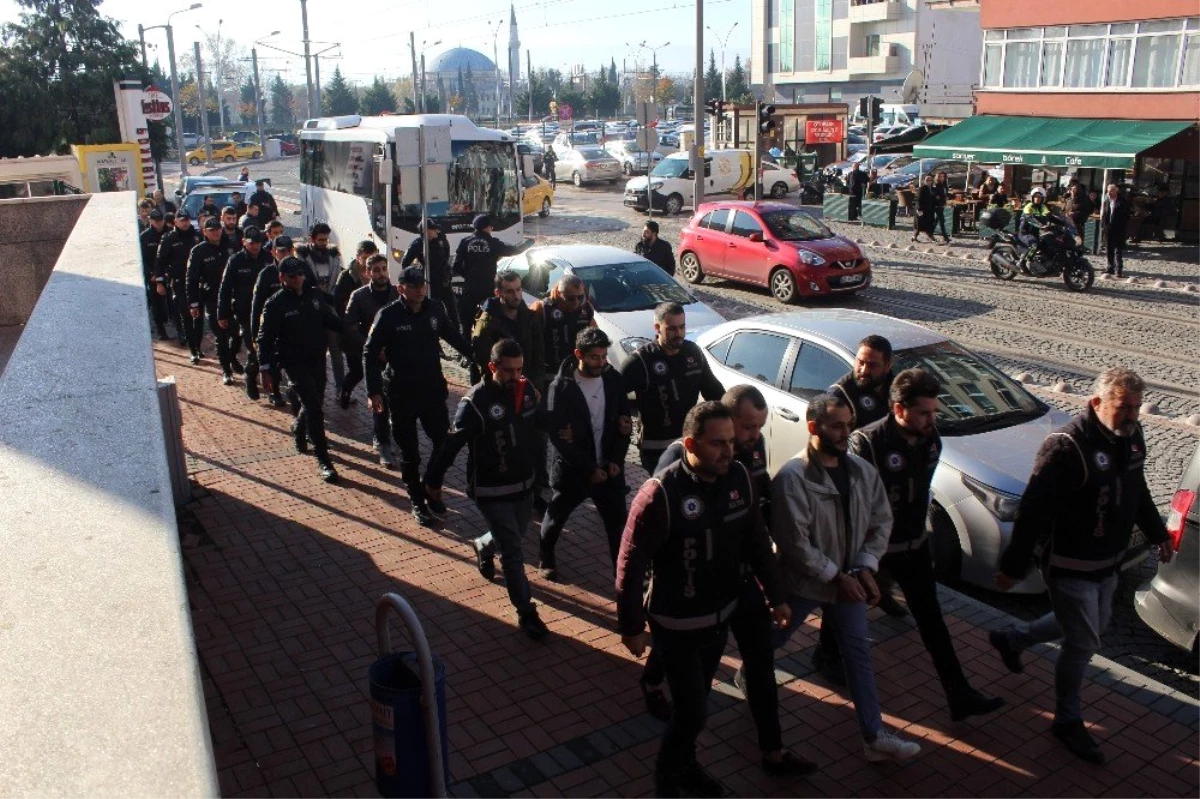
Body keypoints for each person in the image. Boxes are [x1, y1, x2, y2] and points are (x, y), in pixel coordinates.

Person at [991, 367, 1171, 764]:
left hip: (1108, 562)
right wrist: (1014, 566)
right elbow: (1033, 511)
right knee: (1084, 640)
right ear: (1096, 403)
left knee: (1090, 624)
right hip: (1069, 564)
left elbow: (1137, 487)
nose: (1133, 416)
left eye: (1138, 408)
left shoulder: (1131, 437)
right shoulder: (1065, 447)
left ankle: (1015, 638)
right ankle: (1066, 719)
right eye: (1124, 407)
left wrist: (1157, 533)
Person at [616, 401, 791, 798]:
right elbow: (630, 560)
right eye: (718, 444)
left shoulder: (739, 479)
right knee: (694, 710)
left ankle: (687, 765)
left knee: (695, 705)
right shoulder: (659, 493)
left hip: (719, 617)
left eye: (731, 442)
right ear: (691, 444)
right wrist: (631, 626)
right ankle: (666, 782)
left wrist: (776, 594)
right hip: (675, 624)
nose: (729, 451)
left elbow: (758, 542)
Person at [654, 386, 819, 779]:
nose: (750, 437)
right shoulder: (679, 460)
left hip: (741, 581)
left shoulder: (752, 451)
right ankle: (685, 759)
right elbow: (653, 529)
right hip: (698, 591)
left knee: (761, 665)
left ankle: (773, 752)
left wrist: (776, 592)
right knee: (697, 685)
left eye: (757, 428)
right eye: (746, 427)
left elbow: (756, 530)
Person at [771, 394, 922, 764]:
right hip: (807, 582)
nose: (846, 432)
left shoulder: (860, 471)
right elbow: (795, 544)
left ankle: (873, 736)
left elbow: (881, 521)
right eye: (836, 425)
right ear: (813, 428)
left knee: (858, 655)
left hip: (848, 581)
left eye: (848, 424)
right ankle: (751, 670)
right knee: (771, 640)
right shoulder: (793, 477)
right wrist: (836, 576)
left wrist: (864, 567)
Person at [851, 369, 1005, 721]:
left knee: (932, 620)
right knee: (850, 609)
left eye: (934, 412)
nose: (930, 420)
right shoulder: (867, 443)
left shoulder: (931, 439)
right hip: (873, 549)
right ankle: (826, 656)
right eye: (923, 412)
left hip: (913, 546)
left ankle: (959, 694)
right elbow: (856, 504)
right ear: (898, 408)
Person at [423, 339, 550, 641]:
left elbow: (539, 423)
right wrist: (433, 481)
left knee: (516, 535)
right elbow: (450, 445)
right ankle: (526, 612)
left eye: (520, 370)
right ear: (493, 367)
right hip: (491, 490)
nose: (516, 376)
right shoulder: (474, 404)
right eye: (509, 371)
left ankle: (483, 544)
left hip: (523, 484)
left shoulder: (526, 390)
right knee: (514, 552)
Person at [365, 266, 472, 527]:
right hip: (401, 393)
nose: (419, 289)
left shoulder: (435, 309)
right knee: (410, 452)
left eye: (421, 285)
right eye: (413, 286)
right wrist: (373, 391)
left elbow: (452, 336)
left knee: (443, 443)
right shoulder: (388, 315)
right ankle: (417, 501)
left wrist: (476, 355)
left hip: (432, 390)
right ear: (401, 288)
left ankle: (430, 485)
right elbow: (369, 353)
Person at [537, 327, 632, 576]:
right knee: (557, 517)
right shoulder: (561, 387)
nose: (601, 363)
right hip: (574, 470)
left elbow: (624, 423)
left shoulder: (613, 379)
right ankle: (546, 556)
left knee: (618, 526)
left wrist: (615, 460)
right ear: (579, 354)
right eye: (594, 357)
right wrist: (589, 468)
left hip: (608, 469)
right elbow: (558, 437)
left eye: (603, 356)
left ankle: (622, 575)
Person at [256, 256, 345, 483]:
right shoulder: (275, 304)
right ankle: (324, 460)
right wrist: (264, 368)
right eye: (292, 276)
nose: (297, 279)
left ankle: (298, 426)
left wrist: (351, 328)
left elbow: (328, 319)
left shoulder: (314, 295)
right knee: (315, 408)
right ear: (282, 278)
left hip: (316, 359)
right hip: (293, 363)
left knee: (314, 401)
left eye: (300, 275)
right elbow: (265, 339)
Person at [620, 302, 724, 474]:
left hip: (689, 443)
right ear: (657, 327)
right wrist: (622, 418)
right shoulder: (641, 361)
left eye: (682, 327)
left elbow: (714, 391)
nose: (679, 334)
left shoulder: (693, 353)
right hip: (656, 449)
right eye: (672, 329)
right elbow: (613, 394)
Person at [344, 254, 399, 467]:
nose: (381, 273)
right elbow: (349, 326)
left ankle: (393, 436)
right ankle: (382, 441)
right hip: (372, 356)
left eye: (384, 268)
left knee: (396, 398)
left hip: (395, 356)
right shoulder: (358, 296)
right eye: (376, 269)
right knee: (379, 399)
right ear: (368, 273)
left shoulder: (396, 292)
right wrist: (371, 346)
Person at [251, 235, 317, 408]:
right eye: (282, 251)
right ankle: (274, 391)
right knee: (271, 361)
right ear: (273, 252)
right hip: (273, 327)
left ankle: (293, 395)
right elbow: (257, 306)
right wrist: (254, 335)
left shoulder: (302, 267)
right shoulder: (266, 274)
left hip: (296, 328)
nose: (287, 253)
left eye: (289, 250)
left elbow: (313, 291)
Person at [451, 214, 526, 353]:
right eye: (491, 226)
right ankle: (490, 349)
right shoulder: (493, 243)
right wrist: (527, 244)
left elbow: (455, 266)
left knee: (466, 322)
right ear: (488, 227)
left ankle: (467, 353)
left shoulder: (465, 242)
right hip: (488, 289)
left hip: (470, 288)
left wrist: (468, 274)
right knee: (490, 318)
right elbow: (513, 250)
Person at [217, 226, 272, 400]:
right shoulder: (235, 261)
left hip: (267, 311)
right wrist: (222, 314)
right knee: (253, 347)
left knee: (270, 349)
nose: (256, 246)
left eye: (259, 243)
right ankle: (250, 375)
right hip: (245, 313)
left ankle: (274, 389)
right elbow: (225, 289)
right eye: (252, 243)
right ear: (244, 242)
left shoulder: (268, 258)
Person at [471, 270, 546, 391]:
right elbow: (484, 366)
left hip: (526, 388)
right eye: (510, 291)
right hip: (499, 389)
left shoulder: (531, 318)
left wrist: (534, 389)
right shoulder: (487, 325)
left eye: (518, 289)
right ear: (498, 293)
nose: (516, 296)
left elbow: (538, 359)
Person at [296, 223, 348, 397]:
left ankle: (341, 389)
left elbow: (338, 282)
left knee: (336, 352)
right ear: (311, 239)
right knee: (315, 353)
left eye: (326, 239)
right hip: (312, 312)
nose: (324, 243)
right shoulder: (302, 258)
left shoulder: (334, 257)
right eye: (320, 240)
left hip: (330, 310)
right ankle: (316, 389)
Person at [186, 217, 238, 376]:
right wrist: (193, 303)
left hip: (234, 298)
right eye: (212, 230)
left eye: (218, 229)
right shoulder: (198, 251)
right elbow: (191, 278)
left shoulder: (231, 245)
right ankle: (226, 370)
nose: (216, 233)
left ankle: (232, 358)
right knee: (221, 336)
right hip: (212, 299)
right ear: (205, 232)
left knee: (236, 335)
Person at [332, 240, 375, 408]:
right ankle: (344, 392)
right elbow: (338, 302)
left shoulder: (376, 273)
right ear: (358, 257)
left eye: (371, 257)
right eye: (365, 257)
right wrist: (350, 322)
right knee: (357, 370)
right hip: (352, 332)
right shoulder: (347, 276)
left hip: (370, 330)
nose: (367, 261)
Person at [155, 211, 201, 354]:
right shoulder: (169, 238)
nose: (185, 223)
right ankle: (185, 336)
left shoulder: (196, 236)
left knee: (198, 313)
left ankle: (197, 343)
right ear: (176, 222)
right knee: (185, 312)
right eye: (182, 220)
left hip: (197, 281)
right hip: (179, 281)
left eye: (187, 220)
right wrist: (159, 281)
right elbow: (160, 261)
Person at [403, 220, 455, 320]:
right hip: (429, 281)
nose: (436, 231)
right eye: (433, 229)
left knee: (451, 311)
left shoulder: (442, 240)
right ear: (426, 231)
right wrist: (417, 275)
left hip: (444, 281)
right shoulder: (418, 244)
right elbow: (405, 263)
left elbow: (446, 257)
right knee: (432, 309)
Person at [139, 208, 170, 341]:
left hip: (168, 272)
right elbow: (142, 259)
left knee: (172, 301)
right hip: (152, 274)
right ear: (151, 221)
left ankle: (176, 325)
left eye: (160, 220)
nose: (159, 223)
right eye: (156, 221)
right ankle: (160, 329)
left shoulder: (169, 234)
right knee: (156, 303)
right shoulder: (145, 237)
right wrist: (151, 274)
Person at [1100, 184, 1130, 278]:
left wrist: (1122, 227)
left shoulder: (1122, 201)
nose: (1109, 192)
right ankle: (1110, 267)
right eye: (1109, 190)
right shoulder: (1106, 200)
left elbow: (1126, 216)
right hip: (1108, 228)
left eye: (1112, 190)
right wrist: (1103, 226)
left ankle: (1119, 269)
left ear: (1116, 191)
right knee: (1109, 249)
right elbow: (1104, 214)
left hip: (1118, 229)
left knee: (1118, 250)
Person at [1019, 188, 1052, 271]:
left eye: (1039, 197)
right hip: (1025, 233)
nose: (1037, 199)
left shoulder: (1042, 207)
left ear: (1042, 199)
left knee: (1048, 244)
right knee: (1034, 245)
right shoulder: (1028, 206)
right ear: (1032, 198)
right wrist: (1040, 225)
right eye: (1035, 197)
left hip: (1035, 233)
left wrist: (1063, 223)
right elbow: (1029, 218)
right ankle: (1025, 262)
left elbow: (1048, 215)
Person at [913, 174, 937, 243]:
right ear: (924, 181)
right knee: (919, 224)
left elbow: (934, 199)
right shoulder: (922, 188)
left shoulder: (932, 188)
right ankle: (915, 237)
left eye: (931, 180)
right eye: (928, 180)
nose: (929, 181)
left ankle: (930, 237)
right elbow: (919, 199)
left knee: (928, 224)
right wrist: (919, 209)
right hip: (922, 209)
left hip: (929, 209)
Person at [931, 171, 951, 244]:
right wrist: (942, 198)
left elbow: (945, 194)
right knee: (942, 220)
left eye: (943, 176)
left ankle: (930, 232)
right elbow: (936, 196)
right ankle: (945, 237)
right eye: (940, 176)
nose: (942, 178)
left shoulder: (945, 185)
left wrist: (947, 197)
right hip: (937, 205)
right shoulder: (935, 185)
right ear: (937, 177)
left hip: (942, 204)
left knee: (937, 219)